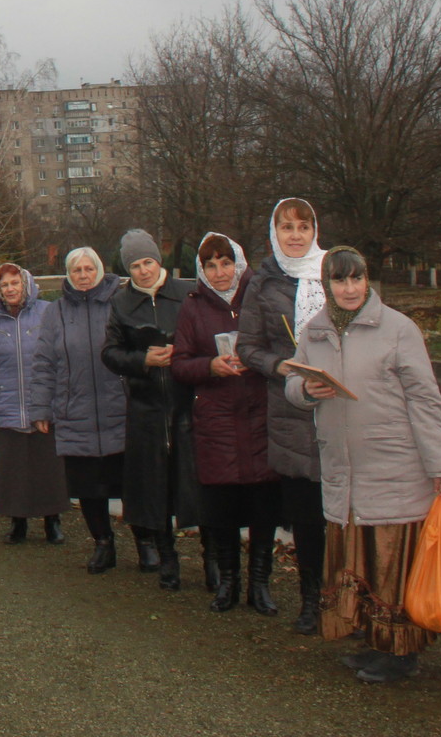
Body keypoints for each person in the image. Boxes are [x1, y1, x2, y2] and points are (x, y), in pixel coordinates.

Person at [288, 247, 441, 684]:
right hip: (344, 470)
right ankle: (372, 640)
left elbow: (425, 398)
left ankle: (401, 652)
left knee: (389, 563)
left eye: (357, 279)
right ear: (326, 286)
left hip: (394, 466)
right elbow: (293, 385)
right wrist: (306, 389)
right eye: (340, 281)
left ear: (368, 280)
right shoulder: (314, 332)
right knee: (358, 561)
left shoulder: (399, 330)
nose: (349, 289)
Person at [170, 233, 281, 614]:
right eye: (211, 265)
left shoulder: (260, 296)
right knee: (221, 508)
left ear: (240, 263)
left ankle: (260, 584)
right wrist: (210, 366)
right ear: (201, 270)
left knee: (264, 502)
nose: (220, 273)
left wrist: (258, 360)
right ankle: (229, 581)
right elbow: (179, 363)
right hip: (216, 418)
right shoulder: (193, 307)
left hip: (260, 412)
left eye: (226, 263)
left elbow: (282, 347)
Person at [237, 198, 331, 633]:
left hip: (341, 406)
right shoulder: (262, 282)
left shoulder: (337, 272)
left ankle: (353, 596)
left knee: (347, 512)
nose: (295, 235)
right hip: (291, 411)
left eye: (303, 226)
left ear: (315, 230)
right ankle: (312, 599)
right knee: (308, 515)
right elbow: (248, 346)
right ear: (274, 232)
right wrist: (282, 367)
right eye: (286, 227)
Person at [103, 229, 201, 590]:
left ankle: (213, 562)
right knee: (154, 488)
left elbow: (205, 338)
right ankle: (167, 558)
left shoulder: (187, 292)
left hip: (188, 403)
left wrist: (184, 356)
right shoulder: (121, 302)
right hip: (146, 407)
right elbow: (110, 353)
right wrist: (142, 359)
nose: (143, 271)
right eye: (136, 265)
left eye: (148, 262)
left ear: (158, 261)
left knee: (195, 484)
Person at [31, 247, 127, 572]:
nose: (83, 275)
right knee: (88, 486)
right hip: (75, 410)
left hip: (119, 408)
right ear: (68, 275)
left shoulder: (120, 303)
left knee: (131, 481)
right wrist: (41, 408)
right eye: (76, 270)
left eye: (89, 269)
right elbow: (44, 363)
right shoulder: (55, 312)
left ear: (99, 270)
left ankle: (146, 542)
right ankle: (103, 542)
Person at [0, 263, 68, 545]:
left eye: (15, 283)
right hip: (5, 402)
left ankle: (53, 520)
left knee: (48, 465)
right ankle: (18, 522)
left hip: (42, 402)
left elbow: (59, 358)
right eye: (5, 285)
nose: (10, 289)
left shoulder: (47, 312)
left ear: (25, 284)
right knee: (12, 467)